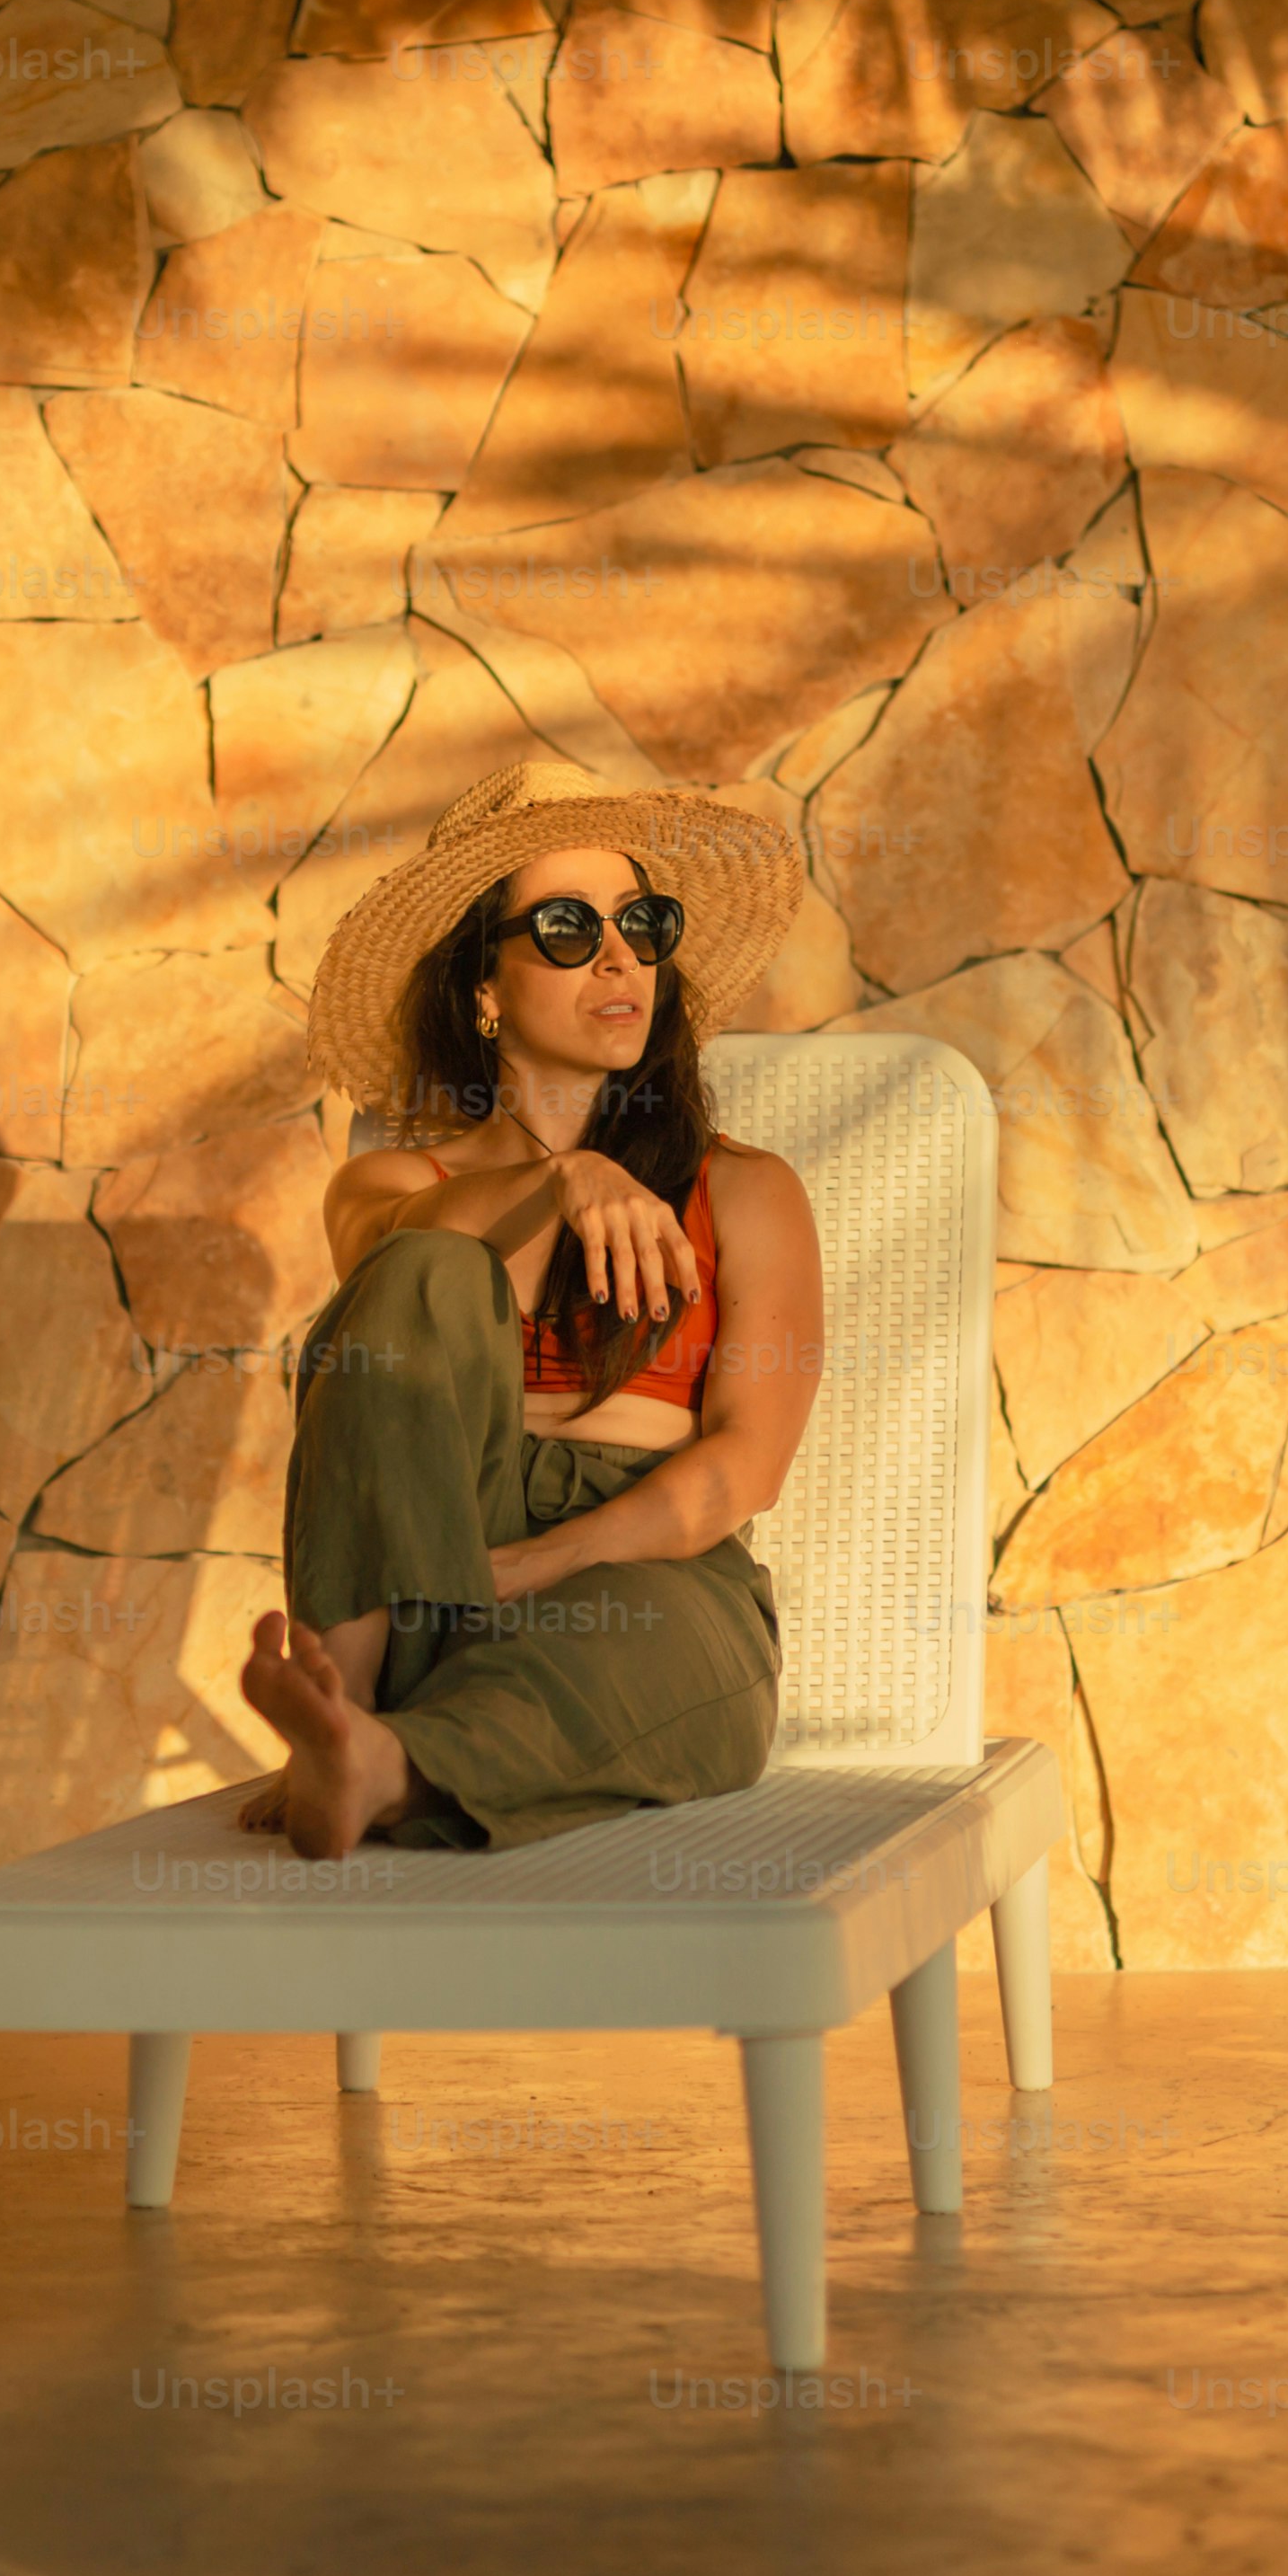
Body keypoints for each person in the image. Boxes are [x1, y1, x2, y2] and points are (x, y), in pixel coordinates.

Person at [232, 759, 825, 1859]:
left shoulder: (746, 1191)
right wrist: (561, 1181)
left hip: (655, 1572)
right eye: (563, 926)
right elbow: (379, 1311)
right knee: (422, 1274)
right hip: (435, 1564)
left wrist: (548, 1565)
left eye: (640, 925)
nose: (618, 957)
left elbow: (746, 1469)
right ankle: (348, 1708)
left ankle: (374, 1765)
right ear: (484, 989)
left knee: (601, 1650)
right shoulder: (395, 1190)